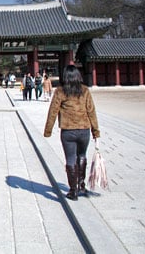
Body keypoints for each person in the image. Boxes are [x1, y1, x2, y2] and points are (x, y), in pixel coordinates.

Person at [43, 65, 100, 201]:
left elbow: (53, 111)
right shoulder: (85, 90)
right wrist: (96, 132)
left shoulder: (60, 91)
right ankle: (81, 184)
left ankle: (73, 190)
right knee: (81, 156)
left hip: (68, 130)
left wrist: (48, 131)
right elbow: (91, 111)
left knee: (70, 159)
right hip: (84, 129)